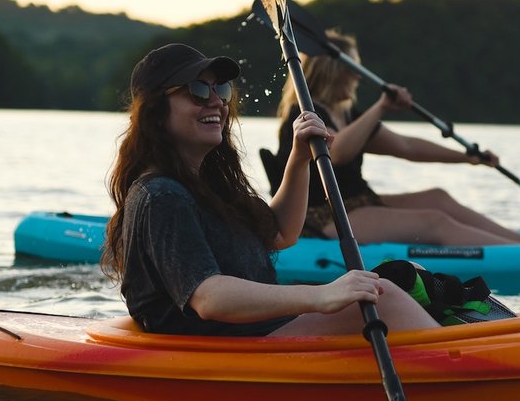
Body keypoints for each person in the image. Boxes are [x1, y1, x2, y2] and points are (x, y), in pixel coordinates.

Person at [102, 43, 439, 337]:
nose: (216, 102)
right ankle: (472, 370)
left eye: (220, 90)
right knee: (387, 298)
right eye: (197, 91)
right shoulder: (162, 195)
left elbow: (280, 232)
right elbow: (209, 297)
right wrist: (322, 296)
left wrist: (298, 159)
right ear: (156, 113)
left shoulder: (209, 186)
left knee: (408, 277)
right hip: (220, 346)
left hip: (255, 330)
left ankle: (473, 344)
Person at [274, 30, 520, 246]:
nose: (358, 75)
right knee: (433, 221)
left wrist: (468, 158)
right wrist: (382, 106)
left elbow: (406, 146)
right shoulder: (303, 116)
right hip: (321, 218)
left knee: (438, 197)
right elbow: (336, 152)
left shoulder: (349, 113)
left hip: (357, 203)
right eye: (353, 68)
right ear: (332, 71)